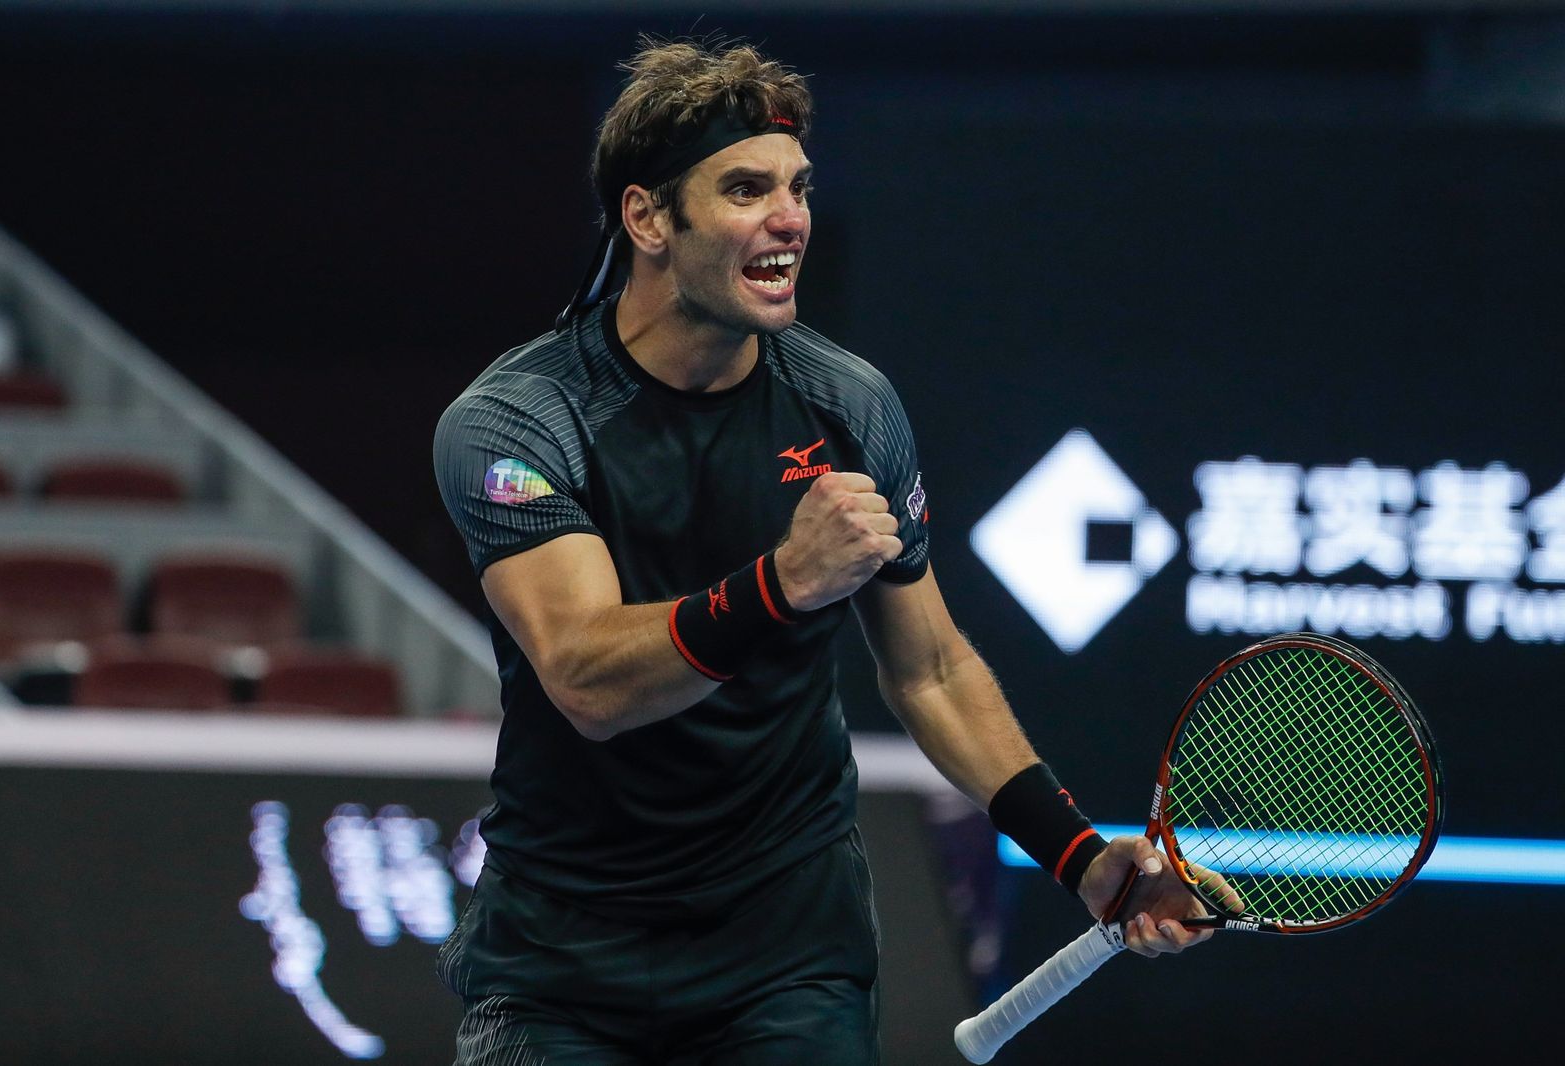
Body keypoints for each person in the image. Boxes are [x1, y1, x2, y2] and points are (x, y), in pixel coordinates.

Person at [433, 36, 1210, 1065]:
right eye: (745, 188)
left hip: (788, 962)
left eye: (797, 187)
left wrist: (1083, 860)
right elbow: (587, 680)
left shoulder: (849, 404)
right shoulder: (519, 420)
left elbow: (930, 670)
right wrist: (784, 582)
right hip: (559, 965)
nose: (790, 217)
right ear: (648, 219)